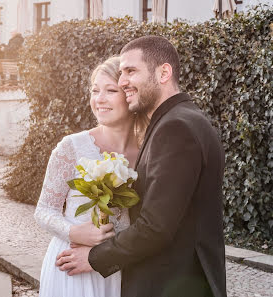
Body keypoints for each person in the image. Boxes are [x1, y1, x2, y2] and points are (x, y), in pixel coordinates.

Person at [56, 35, 227, 297]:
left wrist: (94, 257)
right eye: (121, 73)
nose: (123, 81)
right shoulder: (179, 120)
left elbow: (155, 227)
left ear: (164, 73)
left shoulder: (175, 128)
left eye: (131, 71)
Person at [34, 56, 148, 297]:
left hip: (119, 267)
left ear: (129, 95)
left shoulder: (147, 152)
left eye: (110, 90)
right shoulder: (72, 147)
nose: (99, 99)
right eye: (95, 90)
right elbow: (44, 210)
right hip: (72, 263)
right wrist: (74, 232)